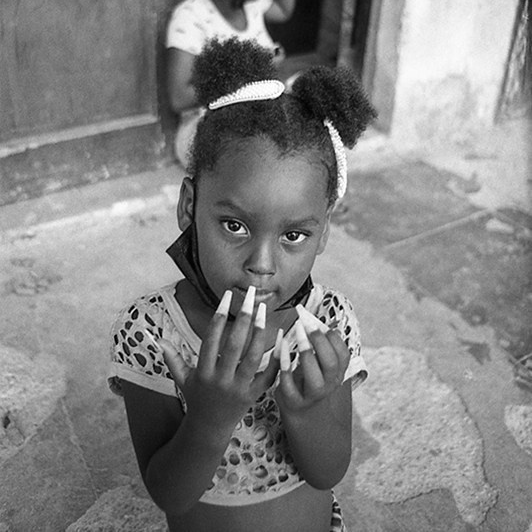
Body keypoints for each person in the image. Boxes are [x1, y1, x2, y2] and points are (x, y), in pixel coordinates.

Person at [109, 36, 376, 532]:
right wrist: (209, 418)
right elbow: (168, 493)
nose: (261, 265)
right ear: (189, 207)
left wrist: (307, 411)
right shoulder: (152, 333)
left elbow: (328, 472)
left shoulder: (327, 326)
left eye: (294, 235)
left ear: (324, 233)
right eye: (234, 226)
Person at [166, 0, 295, 165]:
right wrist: (251, 73)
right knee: (267, 150)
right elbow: (179, 98)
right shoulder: (191, 17)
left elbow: (283, 9)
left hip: (257, 115)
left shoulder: (252, 2)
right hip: (206, 131)